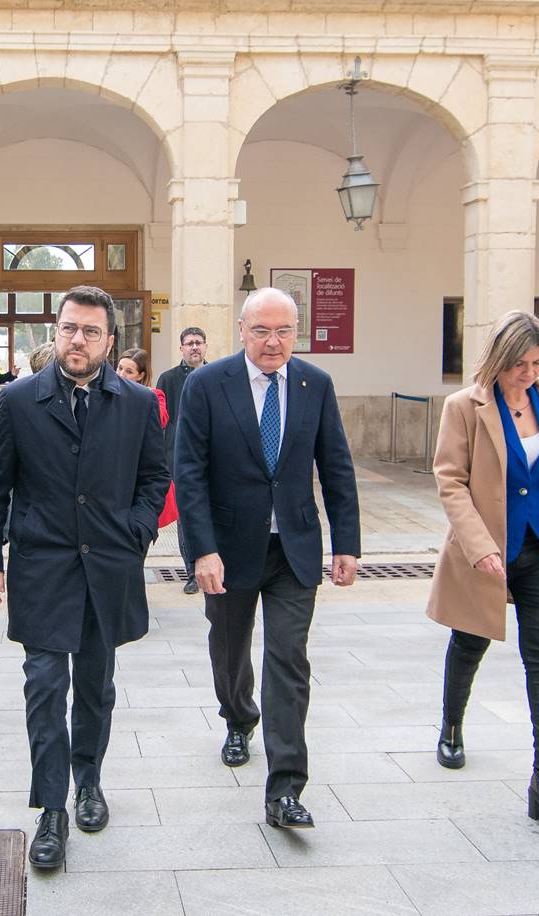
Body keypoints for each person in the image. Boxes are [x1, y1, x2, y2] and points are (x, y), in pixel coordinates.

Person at [0, 286, 168, 869]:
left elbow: (155, 479)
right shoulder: (21, 399)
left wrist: (135, 531)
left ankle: (89, 781)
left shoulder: (137, 402)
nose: (77, 340)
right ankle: (51, 808)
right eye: (68, 329)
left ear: (110, 340)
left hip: (108, 567)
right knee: (45, 685)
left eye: (90, 331)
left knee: (97, 686)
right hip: (43, 567)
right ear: (55, 333)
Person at [174, 287, 361, 830]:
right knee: (231, 649)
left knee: (288, 660)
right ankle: (238, 716)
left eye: (283, 331)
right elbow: (189, 473)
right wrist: (202, 550)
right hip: (229, 551)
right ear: (241, 329)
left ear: (295, 333)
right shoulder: (208, 385)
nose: (273, 342)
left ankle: (285, 788)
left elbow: (337, 467)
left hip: (294, 549)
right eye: (262, 331)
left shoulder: (314, 384)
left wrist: (346, 542)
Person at [428, 310, 539, 839]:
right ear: (499, 359)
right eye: (520, 363)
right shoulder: (465, 406)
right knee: (471, 639)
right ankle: (452, 723)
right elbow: (450, 480)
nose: (529, 372)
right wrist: (478, 546)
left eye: (538, 362)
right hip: (489, 547)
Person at [155, 327, 206, 594]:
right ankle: (191, 572)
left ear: (205, 346)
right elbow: (161, 422)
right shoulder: (168, 379)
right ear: (181, 348)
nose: (194, 347)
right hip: (177, 456)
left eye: (199, 343)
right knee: (187, 515)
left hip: (212, 456)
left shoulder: (218, 375)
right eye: (189, 343)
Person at [116, 347, 177, 530]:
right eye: (119, 368)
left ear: (141, 375)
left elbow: (161, 418)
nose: (121, 374)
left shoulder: (153, 396)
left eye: (129, 371)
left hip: (139, 471)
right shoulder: (106, 394)